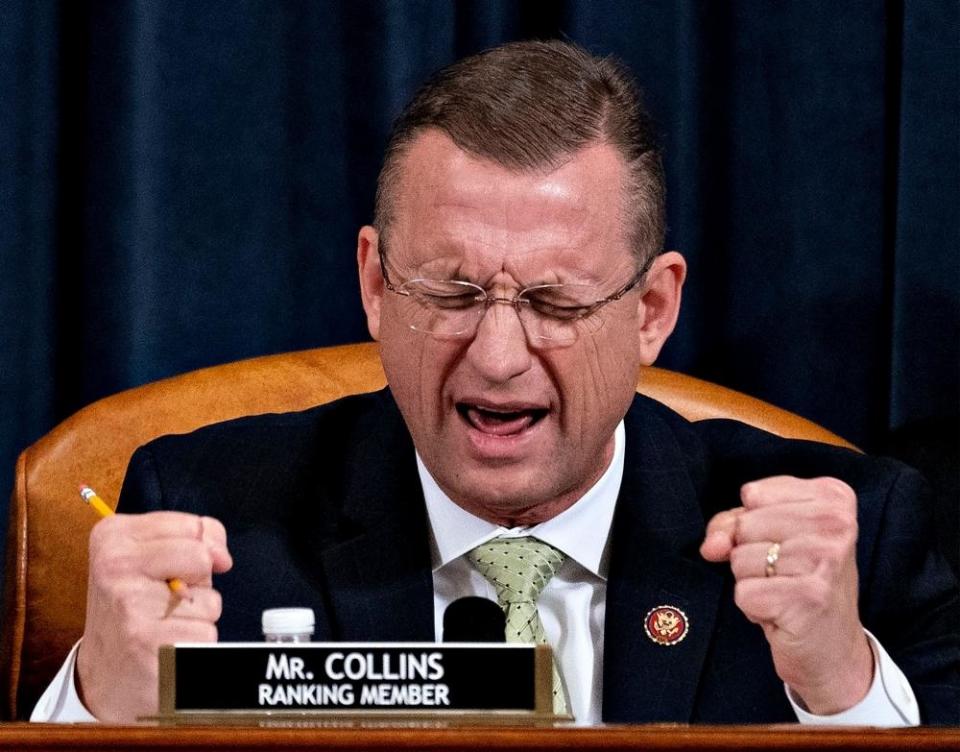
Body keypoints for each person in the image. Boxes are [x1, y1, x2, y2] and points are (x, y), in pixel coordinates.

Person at [32, 39, 958, 725]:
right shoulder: (212, 524)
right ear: (374, 285)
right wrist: (100, 706)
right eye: (453, 291)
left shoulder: (861, 545)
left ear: (651, 310)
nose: (500, 355)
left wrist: (841, 691)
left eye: (555, 302)